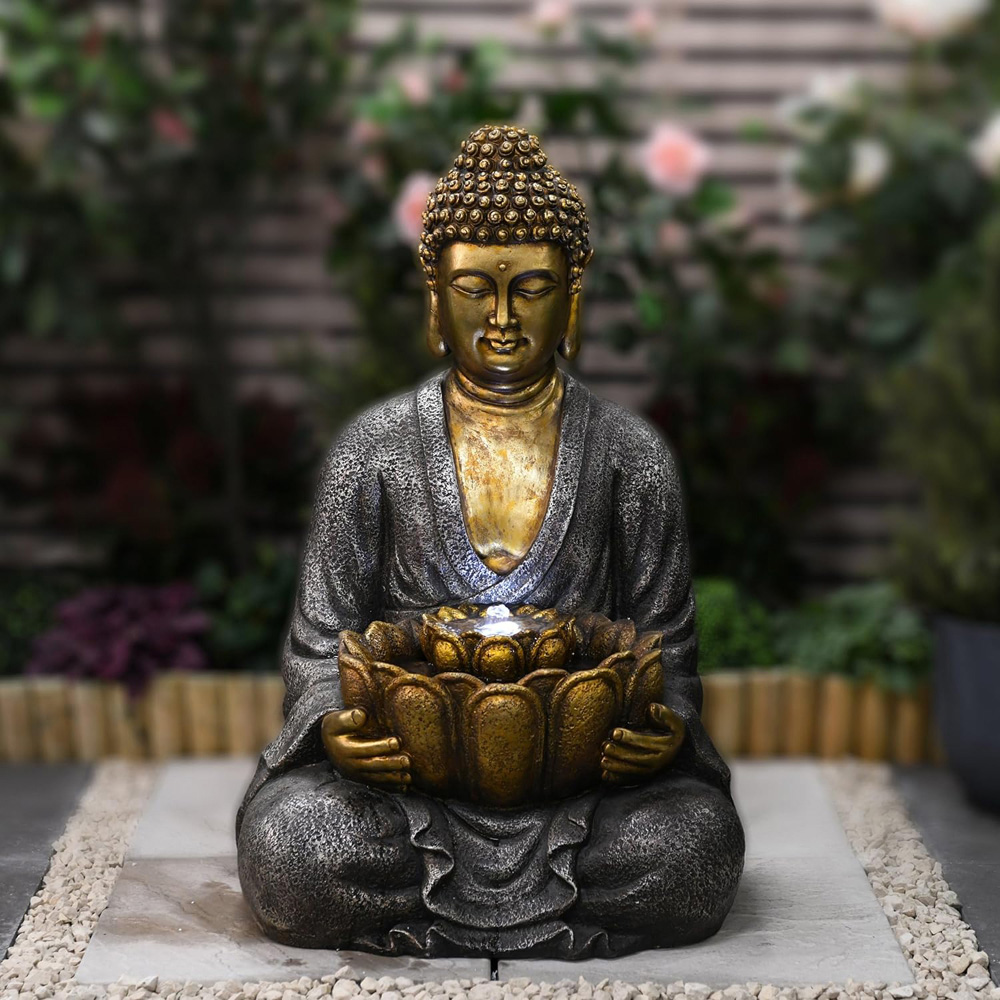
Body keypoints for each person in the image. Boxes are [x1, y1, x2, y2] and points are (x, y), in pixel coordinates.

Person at [236, 125, 744, 959]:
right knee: (294, 847)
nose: (503, 319)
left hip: (580, 792)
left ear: (572, 299)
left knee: (693, 847)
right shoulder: (374, 451)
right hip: (411, 790)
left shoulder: (629, 456)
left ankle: (478, 912)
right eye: (476, 287)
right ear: (435, 296)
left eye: (531, 289)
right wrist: (332, 724)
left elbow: (667, 649)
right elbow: (321, 643)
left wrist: (668, 728)